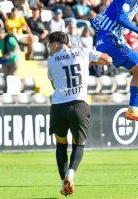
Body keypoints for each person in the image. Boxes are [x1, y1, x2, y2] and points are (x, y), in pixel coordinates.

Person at [47, 31, 111, 196]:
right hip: (80, 106)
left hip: (59, 107)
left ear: (55, 44)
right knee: (79, 144)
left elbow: (55, 85)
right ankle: (71, 173)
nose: (49, 49)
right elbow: (108, 59)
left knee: (61, 144)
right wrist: (87, 63)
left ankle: (63, 183)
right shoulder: (83, 51)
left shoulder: (51, 61)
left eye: (49, 45)